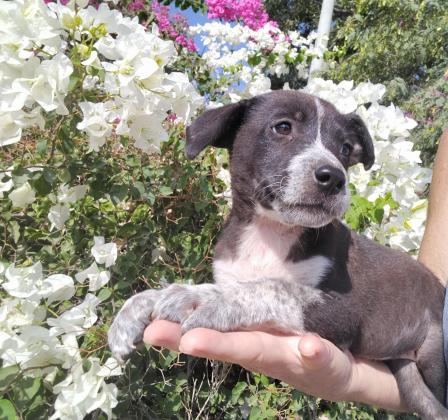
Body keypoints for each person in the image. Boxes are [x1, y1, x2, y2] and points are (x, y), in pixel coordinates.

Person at [143, 129, 448, 412]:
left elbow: (331, 312)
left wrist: (243, 303)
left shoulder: (328, 244)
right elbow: (437, 277)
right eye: (283, 127)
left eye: (343, 149)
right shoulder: (242, 241)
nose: (332, 168)